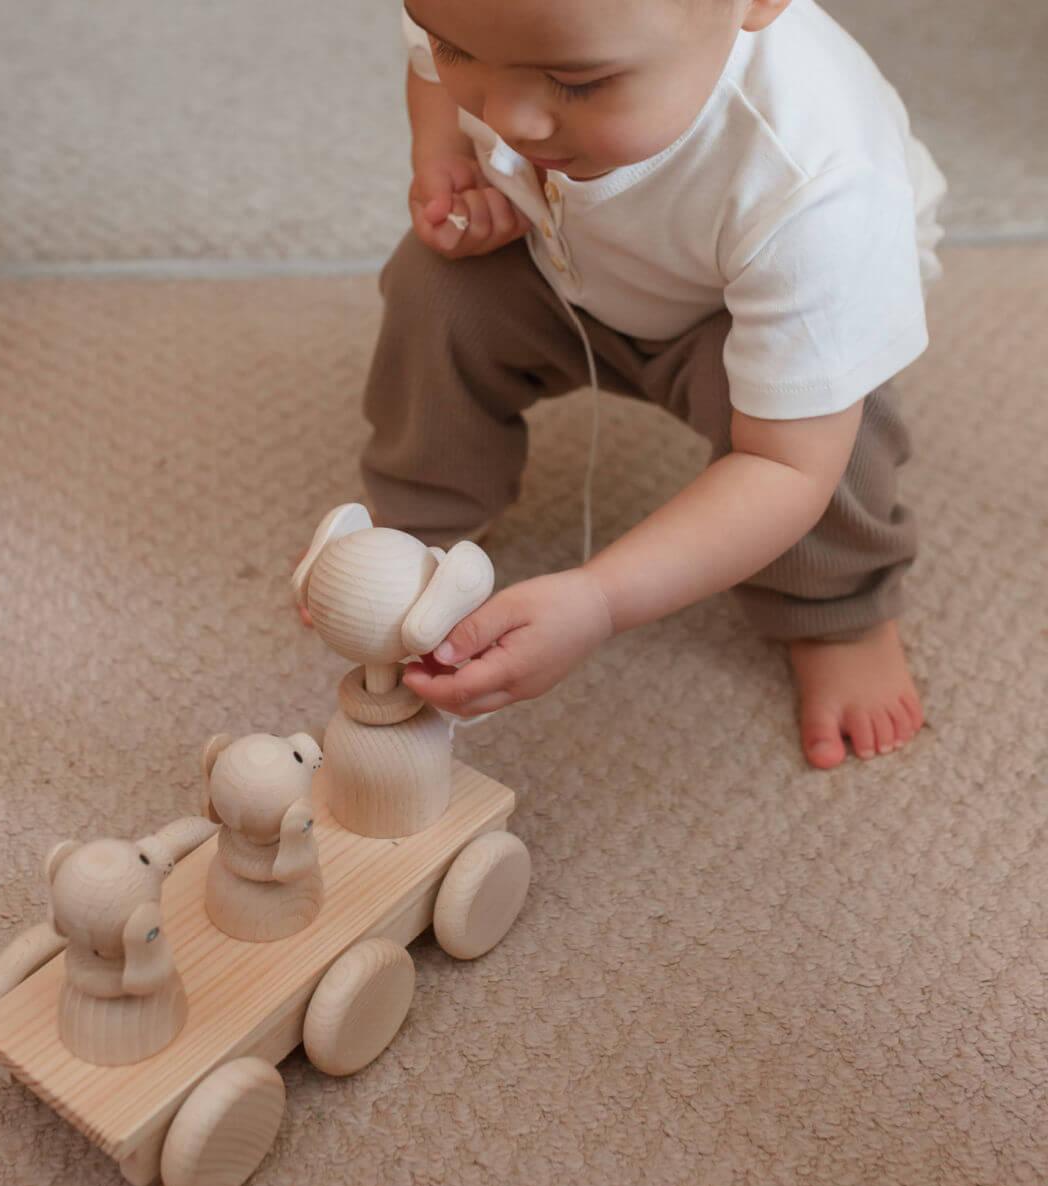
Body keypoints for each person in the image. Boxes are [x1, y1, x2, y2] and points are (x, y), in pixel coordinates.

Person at [351, 0, 945, 768]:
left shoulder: (820, 184)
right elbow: (428, 66)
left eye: (576, 82)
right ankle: (423, 516)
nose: (509, 119)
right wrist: (444, 159)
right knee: (436, 290)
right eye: (461, 49)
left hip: (741, 314)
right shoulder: (492, 18)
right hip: (562, 251)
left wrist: (599, 600)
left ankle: (837, 612)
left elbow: (785, 466)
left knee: (838, 430)